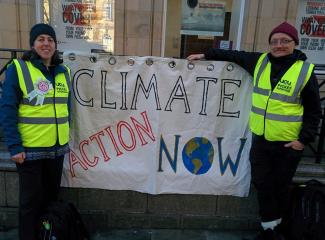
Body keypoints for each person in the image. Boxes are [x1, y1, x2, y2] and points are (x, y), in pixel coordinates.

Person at [188, 22, 321, 240]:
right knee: (262, 184)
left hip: (288, 144)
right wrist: (206, 54)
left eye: (284, 41)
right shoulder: (260, 61)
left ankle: (279, 231)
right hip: (261, 140)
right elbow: (234, 55)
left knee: (280, 188)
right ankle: (270, 230)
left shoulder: (304, 71)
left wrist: (303, 140)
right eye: (274, 41)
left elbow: (314, 110)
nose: (279, 45)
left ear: (294, 43)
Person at [0, 23, 71, 240]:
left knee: (50, 201)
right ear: (32, 44)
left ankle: (46, 236)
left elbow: (66, 107)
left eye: (50, 40)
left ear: (55, 45)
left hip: (57, 150)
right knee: (30, 204)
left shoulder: (63, 71)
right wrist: (14, 146)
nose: (46, 44)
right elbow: (7, 108)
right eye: (41, 39)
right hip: (29, 151)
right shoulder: (18, 69)